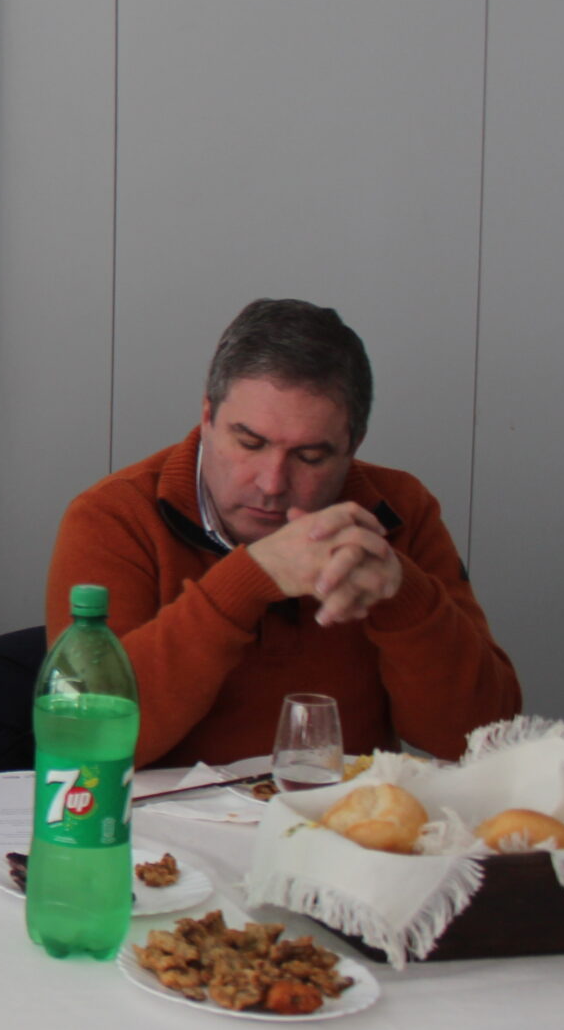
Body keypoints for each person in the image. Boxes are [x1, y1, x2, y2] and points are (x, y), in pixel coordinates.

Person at [46, 298, 520, 768]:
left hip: (341, 811)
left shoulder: (400, 511)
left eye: (310, 457)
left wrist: (403, 596)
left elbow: (481, 739)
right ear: (207, 417)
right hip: (155, 815)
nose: (272, 483)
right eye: (249, 443)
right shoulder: (113, 517)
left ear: (353, 444)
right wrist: (247, 582)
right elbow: (85, 739)